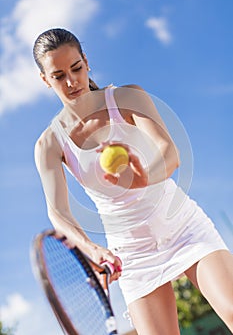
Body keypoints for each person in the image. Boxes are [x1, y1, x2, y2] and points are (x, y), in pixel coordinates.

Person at [33, 28, 233, 335]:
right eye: (59, 76)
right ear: (46, 80)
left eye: (76, 68)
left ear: (87, 62)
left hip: (183, 227)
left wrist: (144, 176)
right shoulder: (49, 144)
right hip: (133, 254)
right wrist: (92, 249)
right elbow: (58, 212)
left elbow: (170, 154)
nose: (72, 81)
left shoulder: (126, 97)